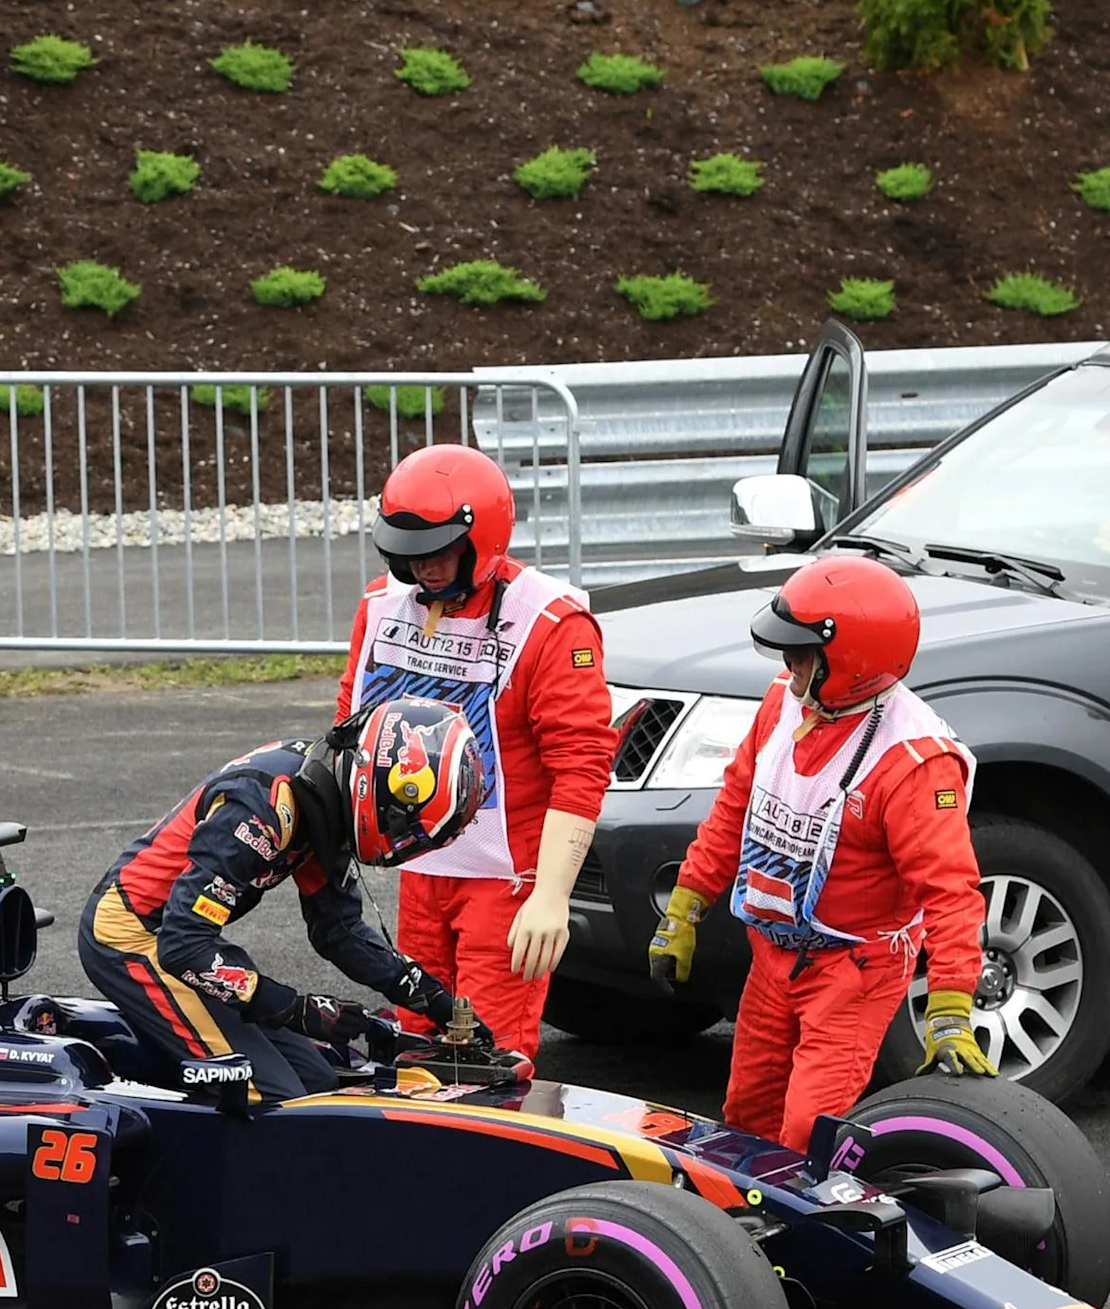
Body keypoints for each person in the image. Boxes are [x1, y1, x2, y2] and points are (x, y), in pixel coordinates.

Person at [647, 557, 991, 1148]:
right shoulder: (785, 702)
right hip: (774, 958)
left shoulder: (915, 761)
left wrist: (951, 1007)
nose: (787, 665)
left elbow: (951, 893)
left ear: (852, 660)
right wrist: (685, 906)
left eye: (801, 652)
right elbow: (735, 809)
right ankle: (741, 1238)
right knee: (746, 1119)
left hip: (853, 972)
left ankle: (815, 1231)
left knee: (808, 1131)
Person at [336, 445, 616, 1061]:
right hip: (419, 869)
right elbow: (348, 729)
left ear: (481, 536)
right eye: (409, 554)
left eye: (438, 551)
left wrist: (551, 895)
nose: (424, 569)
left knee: (485, 1059)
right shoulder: (381, 607)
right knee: (408, 1049)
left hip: (504, 881)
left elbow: (582, 765)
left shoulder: (549, 622)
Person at [80, 696, 484, 1108]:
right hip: (129, 937)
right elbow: (184, 946)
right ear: (380, 789)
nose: (405, 845)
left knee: (318, 1084)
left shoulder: (327, 799)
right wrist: (298, 1010)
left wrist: (431, 998)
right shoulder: (262, 806)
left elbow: (339, 931)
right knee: (271, 1100)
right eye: (408, 828)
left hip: (184, 942)